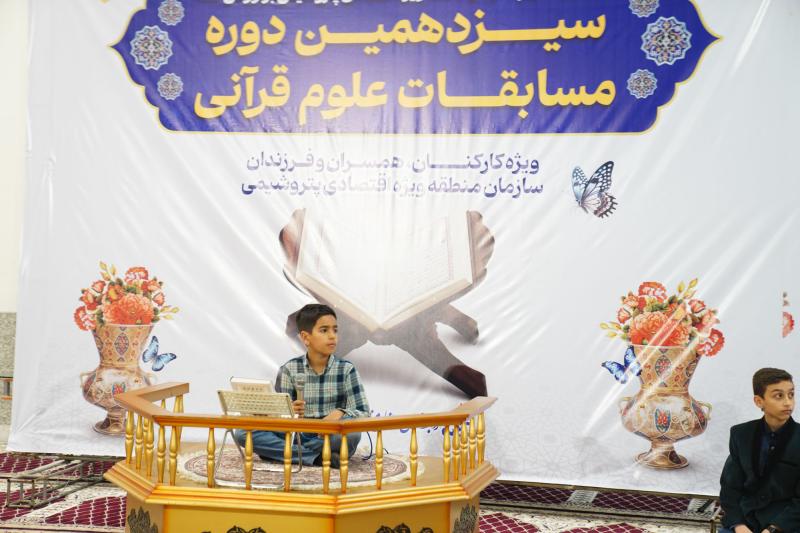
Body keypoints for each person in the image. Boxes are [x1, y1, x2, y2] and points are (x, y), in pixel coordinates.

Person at [234, 304, 369, 468]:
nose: (332, 336)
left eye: (335, 330)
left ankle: (285, 453)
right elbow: (278, 419)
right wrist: (288, 411)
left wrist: (341, 412)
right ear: (306, 338)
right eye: (324, 330)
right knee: (242, 433)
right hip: (296, 433)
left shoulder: (347, 369)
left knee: (352, 434)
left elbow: (364, 413)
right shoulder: (289, 369)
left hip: (327, 435)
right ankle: (317, 457)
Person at [719, 368, 800, 533]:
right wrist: (738, 525)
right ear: (759, 401)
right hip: (746, 519)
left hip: (787, 524)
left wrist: (774, 529)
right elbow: (730, 487)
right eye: (779, 396)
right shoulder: (740, 434)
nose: (788, 402)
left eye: (791, 394)